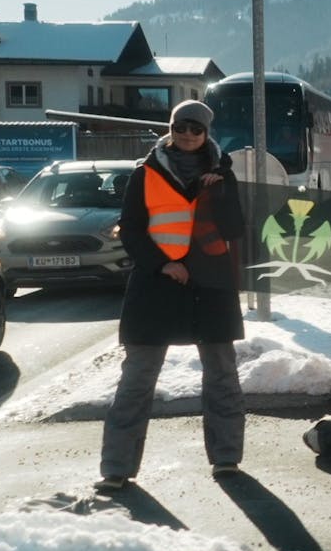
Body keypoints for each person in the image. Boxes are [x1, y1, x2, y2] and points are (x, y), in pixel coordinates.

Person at [98, 99, 247, 490]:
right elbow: (130, 230)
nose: (187, 135)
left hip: (211, 286)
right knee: (137, 379)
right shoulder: (144, 173)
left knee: (222, 376)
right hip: (156, 286)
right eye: (181, 127)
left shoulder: (223, 173)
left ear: (206, 133)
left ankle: (226, 459)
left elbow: (235, 229)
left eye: (195, 129)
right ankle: (116, 467)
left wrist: (221, 192)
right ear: (171, 128)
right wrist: (162, 264)